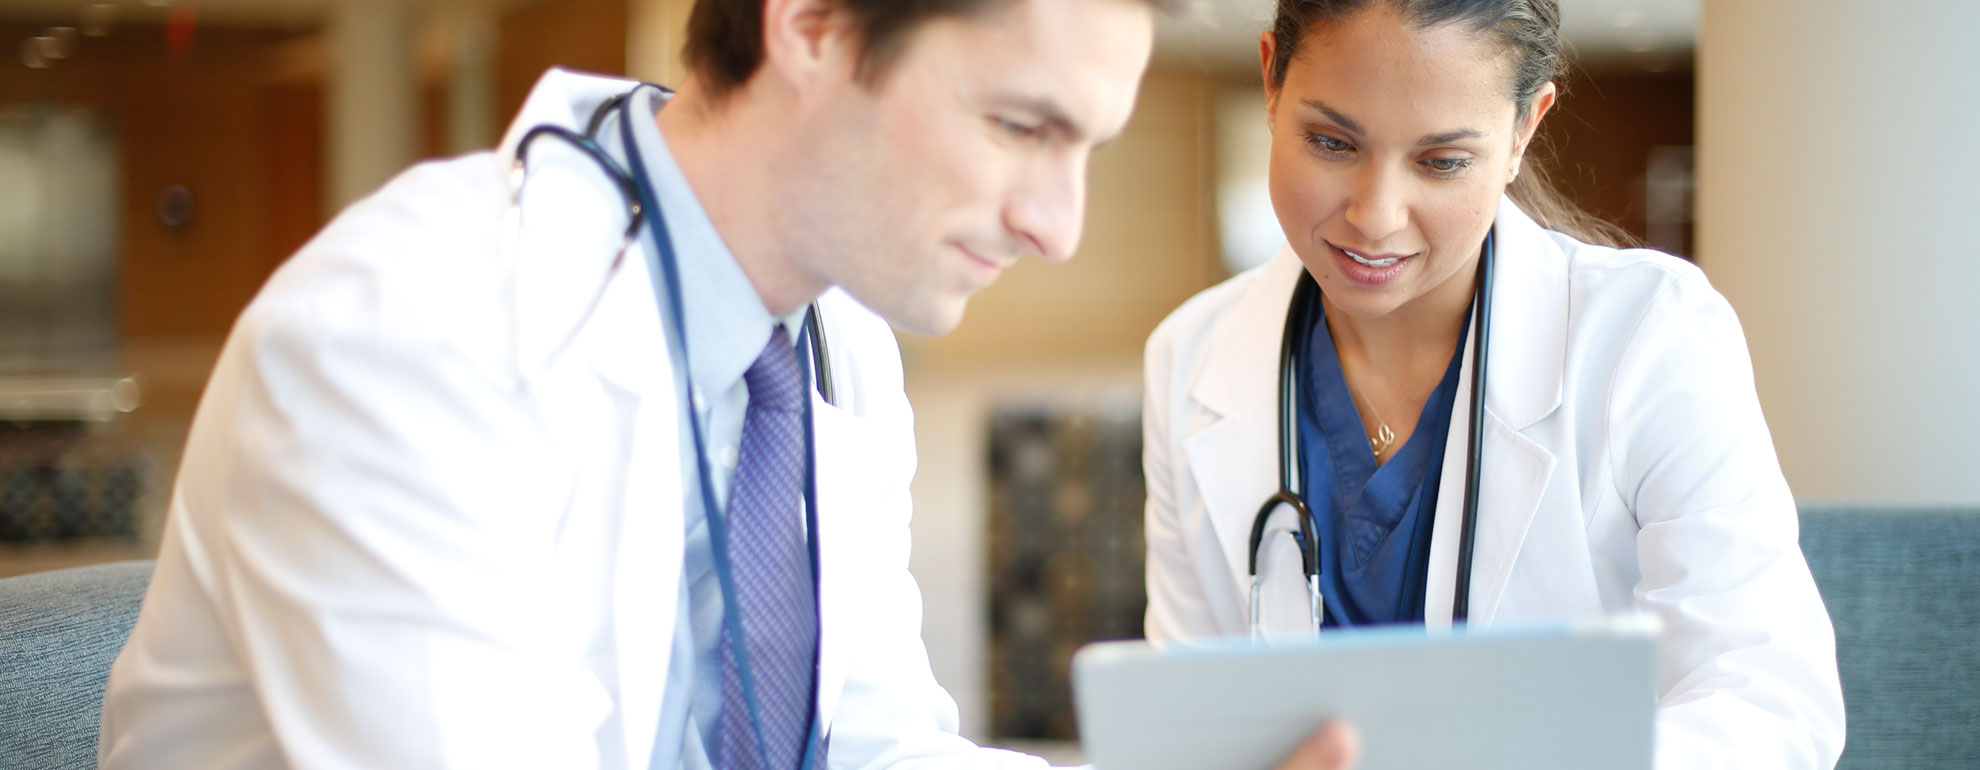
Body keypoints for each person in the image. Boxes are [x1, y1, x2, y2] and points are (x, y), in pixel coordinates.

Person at [97, 0, 1362, 768]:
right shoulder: (410, 342)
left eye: (1087, 145)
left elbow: (866, 747)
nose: (1059, 223)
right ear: (812, 26)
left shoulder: (830, 341)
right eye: (1021, 125)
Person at [1140, 0, 1845, 767]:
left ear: (1523, 131)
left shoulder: (1652, 337)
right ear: (1272, 79)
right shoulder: (1189, 357)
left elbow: (1769, 702)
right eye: (1331, 142)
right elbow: (1191, 729)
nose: (1375, 217)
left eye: (1441, 162)